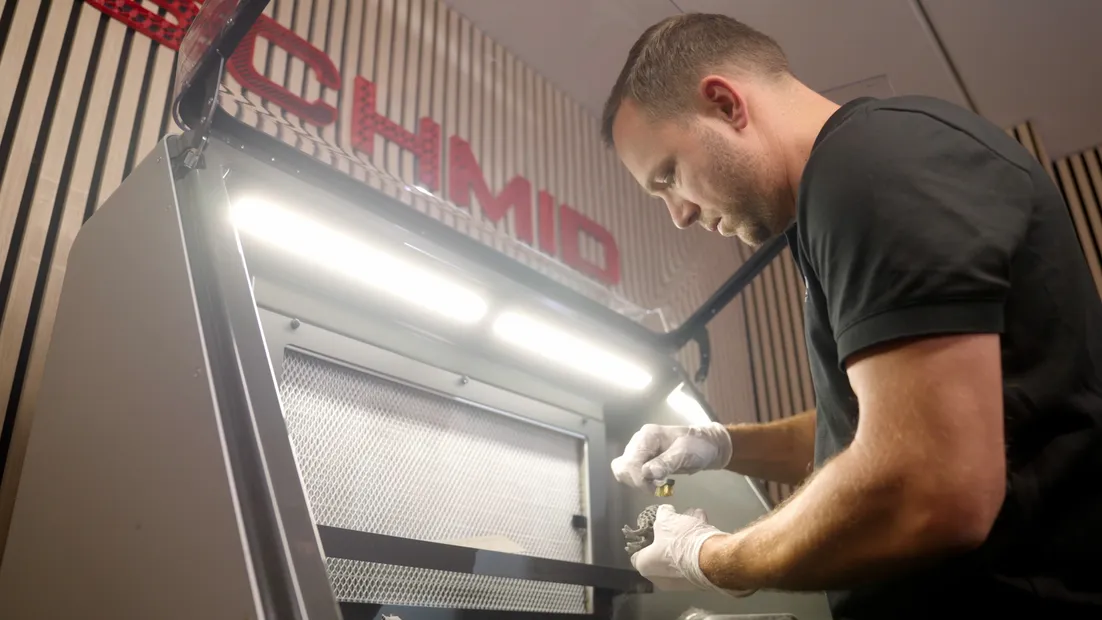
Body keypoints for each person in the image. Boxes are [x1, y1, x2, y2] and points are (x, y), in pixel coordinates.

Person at [602, 12, 1102, 620]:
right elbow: (874, 429)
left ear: (726, 104)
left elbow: (927, 486)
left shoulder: (869, 167)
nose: (678, 214)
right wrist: (721, 446)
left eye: (668, 176)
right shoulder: (836, 196)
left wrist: (710, 559)